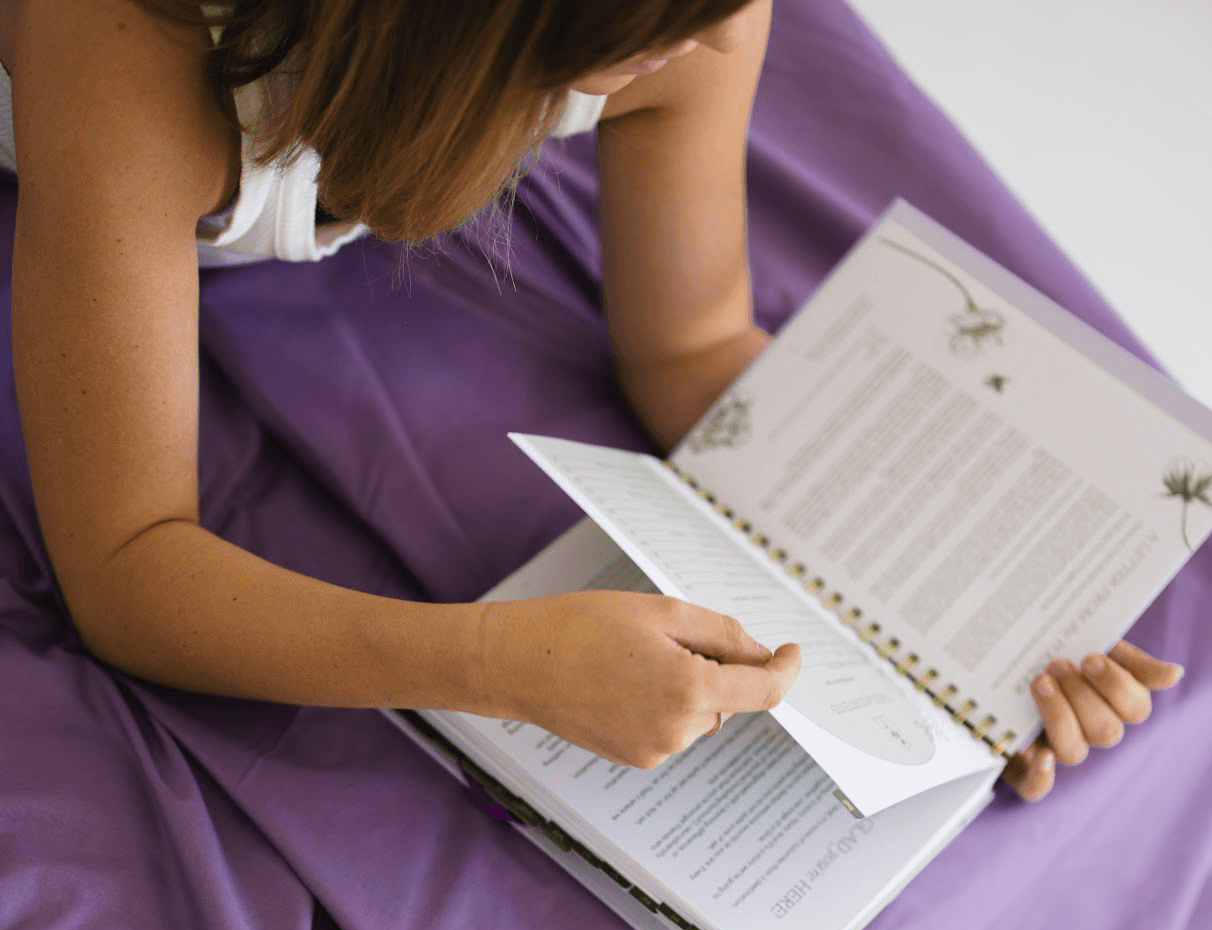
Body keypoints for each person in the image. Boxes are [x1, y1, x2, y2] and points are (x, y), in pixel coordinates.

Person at [0, 0, 1183, 800]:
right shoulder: (125, 43)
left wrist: (973, 629)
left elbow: (696, 344)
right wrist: (491, 664)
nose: (707, 43)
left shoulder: (698, 29)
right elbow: (127, 564)